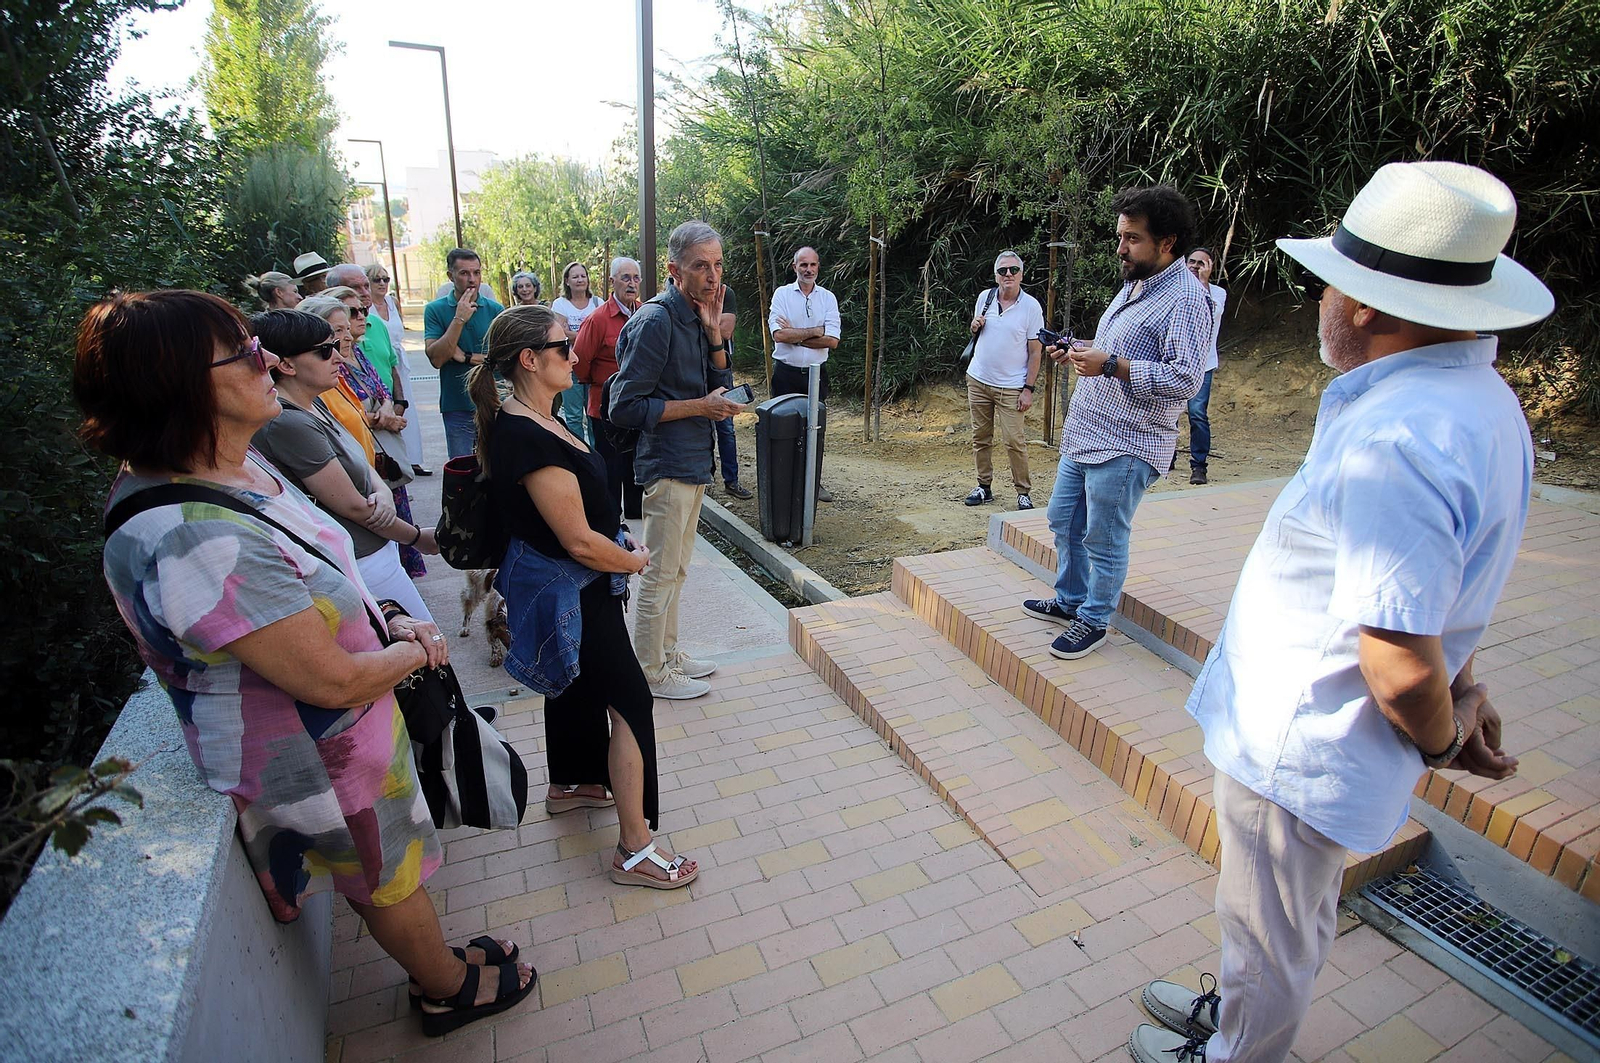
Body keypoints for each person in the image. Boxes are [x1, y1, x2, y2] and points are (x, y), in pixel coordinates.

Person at [1128, 163, 1553, 1063]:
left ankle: (1238, 1052)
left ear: (1363, 305)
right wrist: (1464, 686)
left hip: (1303, 747)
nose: (1321, 296)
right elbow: (1435, 587)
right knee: (1274, 922)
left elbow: (1398, 656)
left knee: (1270, 934)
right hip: (1310, 737)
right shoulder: (1476, 403)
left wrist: (1442, 734)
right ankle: (1239, 1023)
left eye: (1331, 281)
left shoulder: (1403, 435)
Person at [77, 291, 534, 1037]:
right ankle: (445, 987)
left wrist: (382, 612)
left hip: (349, 731)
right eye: (243, 352)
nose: (266, 358)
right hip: (319, 752)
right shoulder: (187, 535)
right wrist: (410, 646)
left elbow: (317, 572)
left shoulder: (229, 465)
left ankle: (439, 961)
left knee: (393, 863)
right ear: (176, 386)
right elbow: (326, 678)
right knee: (382, 875)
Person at [468, 303, 699, 887]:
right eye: (562, 346)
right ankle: (635, 848)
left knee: (574, 686)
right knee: (631, 703)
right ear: (529, 359)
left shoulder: (539, 415)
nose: (576, 354)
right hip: (574, 589)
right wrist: (634, 559)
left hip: (571, 586)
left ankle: (573, 784)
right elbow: (578, 541)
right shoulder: (524, 434)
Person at [1021, 185, 1210, 660]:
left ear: (1167, 242)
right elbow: (1119, 348)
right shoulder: (1138, 283)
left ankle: (1094, 619)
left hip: (1128, 444)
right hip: (1088, 433)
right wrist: (1081, 349)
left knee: (1104, 538)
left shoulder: (1187, 299)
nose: (1120, 248)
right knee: (1062, 519)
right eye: (1120, 236)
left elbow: (1186, 378)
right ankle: (1069, 600)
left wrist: (1111, 365)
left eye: (1131, 238)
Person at [610, 221, 745, 700]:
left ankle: (667, 653)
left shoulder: (695, 315)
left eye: (718, 265)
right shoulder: (657, 320)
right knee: (661, 572)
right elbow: (622, 406)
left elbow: (721, 384)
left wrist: (713, 337)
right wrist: (700, 407)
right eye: (700, 266)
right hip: (667, 464)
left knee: (678, 570)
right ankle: (650, 671)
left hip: (693, 460)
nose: (713, 276)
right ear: (674, 270)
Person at [251, 308, 438, 621]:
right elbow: (352, 506)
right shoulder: (289, 423)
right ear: (285, 364)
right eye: (325, 351)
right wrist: (417, 538)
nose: (339, 357)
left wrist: (382, 491)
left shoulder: (315, 401)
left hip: (376, 549)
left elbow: (361, 464)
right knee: (425, 649)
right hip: (358, 561)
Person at [320, 285, 427, 580]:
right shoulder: (325, 379)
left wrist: (390, 408)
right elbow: (340, 421)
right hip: (360, 480)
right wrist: (382, 420)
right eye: (346, 318)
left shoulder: (354, 354)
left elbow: (381, 389)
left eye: (361, 312)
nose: (360, 319)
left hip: (378, 466)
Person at [964, 250, 1044, 510]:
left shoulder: (1031, 307)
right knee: (980, 437)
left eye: (1013, 270)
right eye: (1002, 271)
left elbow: (1035, 351)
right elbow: (978, 331)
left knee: (1014, 441)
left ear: (1022, 274)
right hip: (978, 378)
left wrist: (1028, 389)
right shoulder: (984, 298)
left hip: (1011, 386)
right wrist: (974, 325)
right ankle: (983, 486)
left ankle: (1023, 491)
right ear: (996, 275)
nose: (1008, 274)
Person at [769, 246, 841, 501]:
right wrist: (815, 330)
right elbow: (778, 335)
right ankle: (784, 484)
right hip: (786, 374)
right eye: (803, 265)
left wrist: (797, 335)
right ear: (794, 267)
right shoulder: (782, 295)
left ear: (818, 267)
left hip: (816, 375)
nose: (808, 269)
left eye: (812, 265)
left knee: (814, 429)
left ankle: (813, 483)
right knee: (783, 428)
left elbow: (832, 341)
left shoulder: (828, 298)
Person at [574, 256, 644, 515]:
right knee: (611, 467)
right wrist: (600, 384)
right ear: (612, 281)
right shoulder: (597, 319)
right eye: (626, 278)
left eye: (636, 278)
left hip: (638, 405)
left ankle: (636, 515)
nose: (632, 283)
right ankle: (612, 523)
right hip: (605, 407)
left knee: (636, 465)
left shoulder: (646, 312)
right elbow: (579, 362)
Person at [425, 248, 504, 459]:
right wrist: (459, 318)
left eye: (476, 273)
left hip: (493, 402)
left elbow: (504, 359)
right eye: (464, 273)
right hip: (457, 403)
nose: (472, 279)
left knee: (499, 467)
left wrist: (465, 357)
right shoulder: (435, 310)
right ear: (450, 276)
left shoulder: (496, 310)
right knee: (463, 471)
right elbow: (437, 358)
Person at [367, 262, 431, 476]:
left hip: (399, 359)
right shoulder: (366, 308)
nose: (383, 283)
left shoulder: (392, 302)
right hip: (381, 359)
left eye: (386, 279)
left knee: (406, 408)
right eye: (377, 279)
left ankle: (413, 459)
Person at [1183, 247, 1226, 484]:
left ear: (1210, 268)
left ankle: (1199, 466)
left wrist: (1203, 282)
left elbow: (1212, 312)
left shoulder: (1217, 293)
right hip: (1175, 360)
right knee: (1169, 412)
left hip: (1203, 364)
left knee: (1197, 414)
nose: (1195, 266)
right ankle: (1165, 457)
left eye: (1202, 263)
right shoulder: (1176, 290)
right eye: (1192, 261)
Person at [551, 262, 602, 446]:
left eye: (583, 276)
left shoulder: (598, 303)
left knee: (593, 413)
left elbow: (601, 334)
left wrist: (576, 334)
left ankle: (595, 453)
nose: (580, 280)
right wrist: (589, 334)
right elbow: (560, 333)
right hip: (568, 364)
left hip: (593, 366)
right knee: (573, 415)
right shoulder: (560, 304)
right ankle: (578, 451)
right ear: (567, 281)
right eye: (575, 276)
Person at [711, 283, 752, 499]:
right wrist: (712, 324)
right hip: (691, 368)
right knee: (700, 426)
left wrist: (703, 322)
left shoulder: (726, 292)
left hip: (721, 368)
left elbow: (725, 330)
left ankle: (731, 480)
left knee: (726, 428)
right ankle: (706, 477)